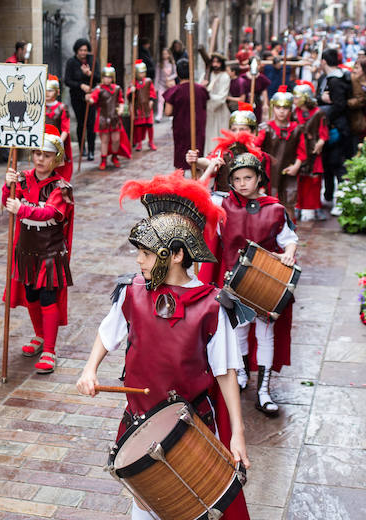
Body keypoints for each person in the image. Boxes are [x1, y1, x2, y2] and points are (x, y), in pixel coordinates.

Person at [76, 172, 250, 520]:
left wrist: (238, 434)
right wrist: (89, 369)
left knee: (190, 504)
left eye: (145, 253)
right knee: (144, 501)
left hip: (192, 422)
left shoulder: (212, 304)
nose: (138, 261)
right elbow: (107, 333)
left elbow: (226, 372)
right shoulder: (132, 292)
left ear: (175, 254)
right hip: (139, 416)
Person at [199, 153, 298, 413]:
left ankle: (264, 390)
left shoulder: (275, 209)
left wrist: (288, 252)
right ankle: (242, 376)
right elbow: (195, 194)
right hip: (234, 282)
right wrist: (209, 168)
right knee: (239, 332)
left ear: (259, 179)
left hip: (266, 283)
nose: (243, 183)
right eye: (237, 178)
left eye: (248, 178)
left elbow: (289, 237)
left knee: (265, 335)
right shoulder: (221, 203)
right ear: (230, 181)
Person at [3, 125, 73, 374]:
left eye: (46, 155)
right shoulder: (23, 178)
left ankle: (50, 350)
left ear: (56, 158)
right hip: (26, 251)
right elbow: (7, 202)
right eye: (36, 154)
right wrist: (8, 185)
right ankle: (40, 335)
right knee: (31, 296)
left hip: (50, 253)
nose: (40, 159)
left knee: (47, 297)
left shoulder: (61, 187)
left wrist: (21, 209)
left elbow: (52, 214)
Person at [186, 103, 270, 195]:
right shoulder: (224, 151)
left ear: (253, 132)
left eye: (242, 129)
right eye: (234, 130)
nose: (237, 133)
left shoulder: (258, 155)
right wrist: (196, 160)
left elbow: (263, 183)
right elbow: (209, 162)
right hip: (225, 200)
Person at [256, 86, 301, 217]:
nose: (281, 111)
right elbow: (255, 148)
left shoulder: (297, 129)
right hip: (268, 173)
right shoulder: (265, 128)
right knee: (267, 205)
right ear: (273, 107)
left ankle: (289, 235)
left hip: (288, 171)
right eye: (278, 107)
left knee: (288, 204)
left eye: (285, 108)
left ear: (291, 109)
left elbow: (302, 151)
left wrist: (297, 166)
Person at [317, 48, 350, 214]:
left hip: (337, 129)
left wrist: (325, 114)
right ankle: (328, 195)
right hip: (327, 128)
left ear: (324, 61)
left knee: (337, 165)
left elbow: (340, 105)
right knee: (326, 164)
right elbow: (318, 97)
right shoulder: (325, 78)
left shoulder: (337, 80)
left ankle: (340, 200)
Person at [292, 81, 328, 221]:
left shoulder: (318, 113)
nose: (294, 100)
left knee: (314, 181)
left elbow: (323, 130)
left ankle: (315, 207)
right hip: (299, 150)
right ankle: (298, 207)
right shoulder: (295, 112)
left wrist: (321, 141)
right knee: (298, 180)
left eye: (297, 97)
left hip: (313, 151)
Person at [163, 59, 208, 173]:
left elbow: (168, 112)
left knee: (180, 162)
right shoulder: (201, 89)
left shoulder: (174, 91)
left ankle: (180, 187)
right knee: (197, 160)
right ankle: (198, 184)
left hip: (181, 129)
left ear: (177, 73)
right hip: (197, 128)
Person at [85, 64, 130, 170]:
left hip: (114, 117)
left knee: (116, 139)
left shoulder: (117, 88)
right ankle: (103, 159)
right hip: (103, 118)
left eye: (109, 77)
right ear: (102, 77)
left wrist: (122, 108)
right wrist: (88, 98)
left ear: (112, 77)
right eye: (105, 76)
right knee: (104, 140)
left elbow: (121, 101)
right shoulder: (98, 89)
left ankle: (114, 156)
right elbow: (93, 100)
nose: (107, 79)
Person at [64, 38, 99, 161]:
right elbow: (67, 80)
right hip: (77, 97)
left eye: (85, 50)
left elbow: (98, 77)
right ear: (76, 51)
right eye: (81, 50)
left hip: (91, 97)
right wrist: (80, 85)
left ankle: (91, 150)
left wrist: (89, 74)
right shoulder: (71, 62)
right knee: (81, 122)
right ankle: (81, 148)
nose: (83, 53)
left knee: (91, 123)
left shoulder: (92, 60)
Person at [43, 75, 74, 181]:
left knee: (56, 167)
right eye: (45, 90)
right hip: (42, 142)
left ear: (57, 92)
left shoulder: (62, 107)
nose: (47, 93)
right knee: (42, 165)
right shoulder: (39, 107)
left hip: (56, 143)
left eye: (50, 90)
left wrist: (58, 143)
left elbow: (65, 129)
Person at [126, 59, 156, 151]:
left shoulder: (148, 81)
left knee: (149, 125)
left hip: (147, 107)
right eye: (140, 73)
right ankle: (139, 143)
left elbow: (152, 92)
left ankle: (151, 142)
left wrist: (151, 100)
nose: (142, 74)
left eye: (143, 72)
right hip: (138, 108)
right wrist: (132, 92)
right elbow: (129, 97)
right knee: (139, 126)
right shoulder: (133, 83)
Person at [204, 53, 231, 148]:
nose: (215, 65)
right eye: (213, 62)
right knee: (208, 136)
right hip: (208, 111)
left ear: (221, 63)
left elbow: (222, 97)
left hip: (220, 112)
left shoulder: (225, 76)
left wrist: (207, 95)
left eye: (217, 62)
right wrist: (203, 87)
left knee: (219, 136)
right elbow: (199, 89)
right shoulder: (206, 75)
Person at [153, 47, 177, 123]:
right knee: (160, 100)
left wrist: (169, 78)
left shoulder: (172, 63)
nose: (165, 55)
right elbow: (157, 76)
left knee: (170, 99)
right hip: (161, 84)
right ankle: (159, 115)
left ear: (169, 54)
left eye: (166, 53)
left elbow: (175, 74)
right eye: (163, 54)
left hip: (170, 84)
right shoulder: (159, 64)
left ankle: (171, 114)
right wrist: (156, 87)